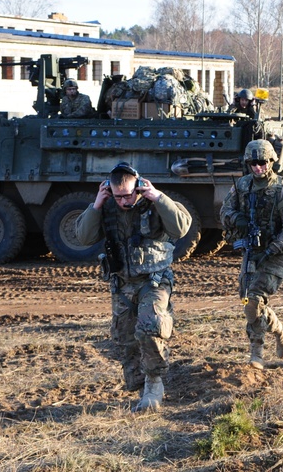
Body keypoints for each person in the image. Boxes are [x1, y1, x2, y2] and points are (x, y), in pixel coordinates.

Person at [75, 162, 191, 412]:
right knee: (125, 339)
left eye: (129, 194)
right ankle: (140, 387)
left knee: (150, 327)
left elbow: (181, 227)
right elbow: (83, 237)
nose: (125, 201)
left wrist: (158, 197)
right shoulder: (105, 206)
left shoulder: (154, 202)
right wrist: (97, 204)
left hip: (154, 280)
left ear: (138, 186)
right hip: (123, 283)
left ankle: (154, 385)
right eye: (119, 196)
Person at [220, 139, 283, 369]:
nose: (258, 168)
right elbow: (224, 211)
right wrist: (237, 219)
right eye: (254, 163)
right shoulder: (241, 186)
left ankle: (256, 354)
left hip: (275, 253)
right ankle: (280, 329)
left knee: (254, 299)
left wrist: (273, 248)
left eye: (263, 162)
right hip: (251, 251)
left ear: (271, 162)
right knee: (248, 302)